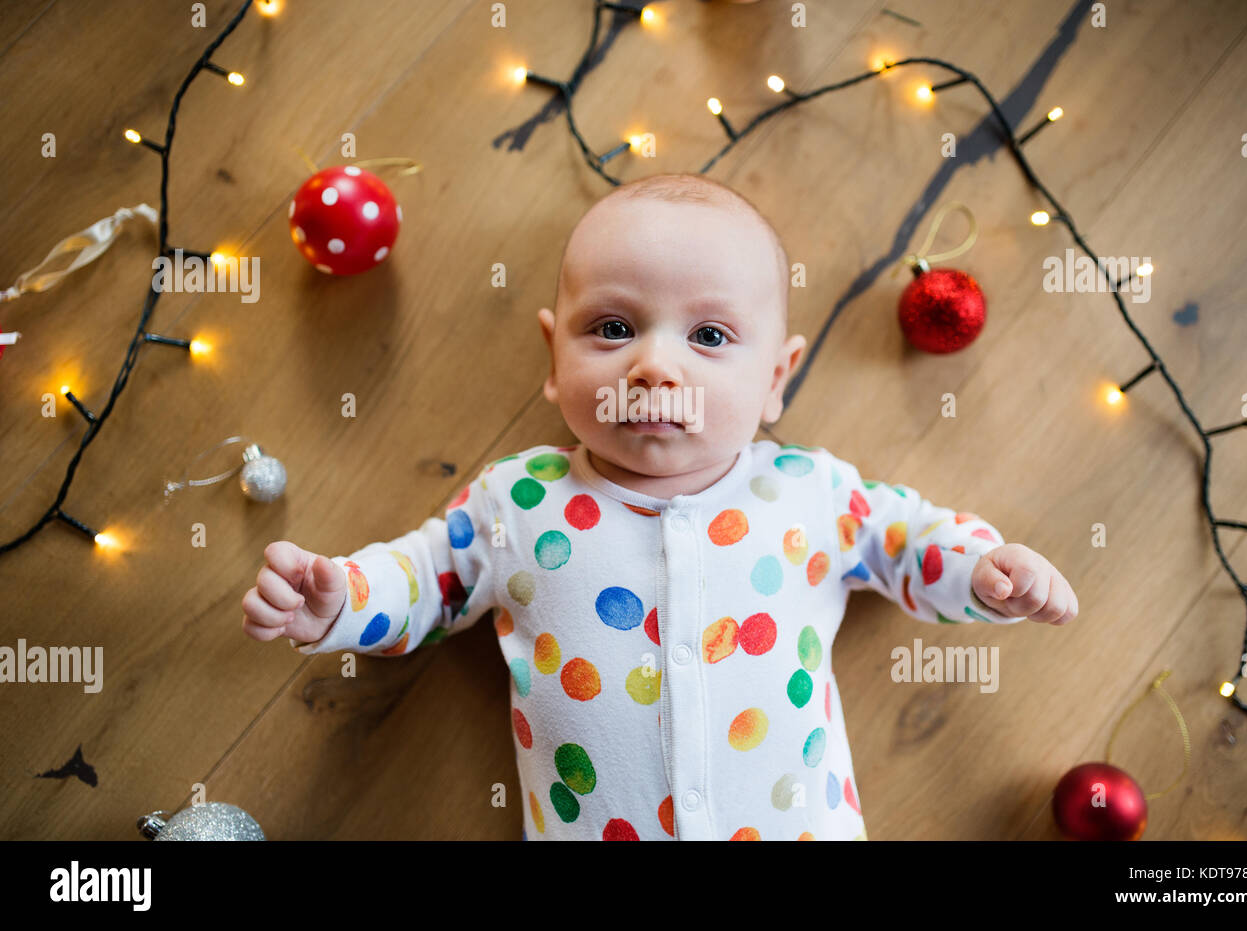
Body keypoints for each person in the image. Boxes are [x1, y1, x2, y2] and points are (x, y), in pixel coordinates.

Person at [241, 172, 1079, 840]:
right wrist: (343, 599)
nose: (653, 367)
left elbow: (912, 542)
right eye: (611, 328)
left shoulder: (810, 493)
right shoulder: (522, 501)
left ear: (775, 379)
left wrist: (985, 569)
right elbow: (426, 579)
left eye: (709, 336)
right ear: (553, 354)